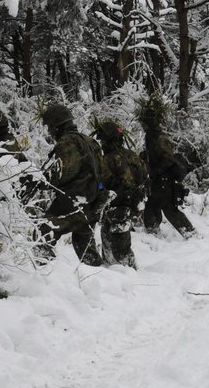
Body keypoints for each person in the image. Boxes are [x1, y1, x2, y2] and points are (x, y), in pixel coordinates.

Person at [39, 101, 104, 266]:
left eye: (50, 127)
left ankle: (44, 276)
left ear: (57, 125)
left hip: (72, 202)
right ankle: (101, 281)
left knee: (42, 232)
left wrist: (43, 180)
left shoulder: (67, 142)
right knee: (85, 247)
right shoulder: (90, 141)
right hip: (92, 201)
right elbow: (106, 172)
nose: (49, 131)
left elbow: (65, 173)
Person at [136, 95, 196, 238]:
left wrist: (156, 172)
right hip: (157, 180)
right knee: (151, 206)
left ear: (150, 123)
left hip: (163, 180)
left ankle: (190, 234)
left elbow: (168, 159)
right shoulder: (151, 136)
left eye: (144, 124)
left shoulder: (159, 138)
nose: (142, 127)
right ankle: (153, 234)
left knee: (169, 208)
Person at [93, 118, 147, 268]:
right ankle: (115, 275)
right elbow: (143, 175)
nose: (102, 144)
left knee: (117, 247)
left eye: (103, 140)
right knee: (113, 241)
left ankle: (129, 275)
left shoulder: (106, 160)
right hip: (131, 203)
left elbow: (102, 182)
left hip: (117, 206)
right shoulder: (132, 155)